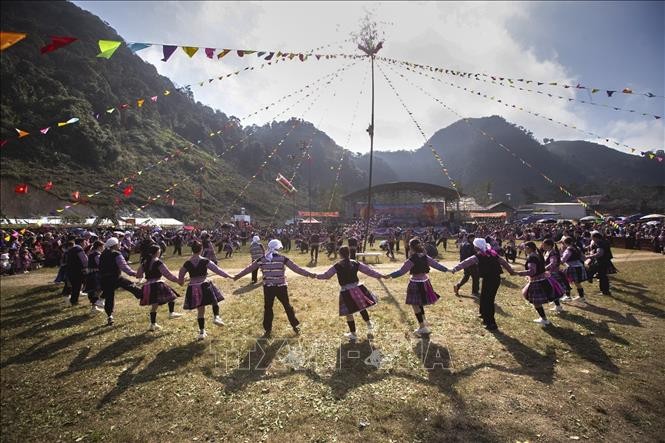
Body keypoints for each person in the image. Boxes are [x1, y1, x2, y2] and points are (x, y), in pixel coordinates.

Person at [233, 239, 315, 338]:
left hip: (268, 288)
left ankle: (268, 329)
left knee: (268, 308)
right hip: (281, 287)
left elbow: (249, 268)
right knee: (287, 306)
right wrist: (309, 274)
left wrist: (238, 276)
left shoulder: (262, 259)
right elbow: (296, 269)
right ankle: (295, 326)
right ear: (278, 247)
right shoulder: (283, 258)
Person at [315, 246, 383, 341]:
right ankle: (369, 324)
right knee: (362, 307)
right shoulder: (355, 263)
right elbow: (368, 271)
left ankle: (353, 333)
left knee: (349, 313)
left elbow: (326, 276)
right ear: (349, 253)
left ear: (340, 254)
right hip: (357, 288)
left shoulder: (337, 265)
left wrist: (315, 276)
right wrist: (380, 275)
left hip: (346, 291)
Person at [385, 238, 449, 337]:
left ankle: (422, 327)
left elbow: (401, 271)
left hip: (415, 283)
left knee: (415, 304)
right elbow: (437, 265)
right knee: (420, 303)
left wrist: (390, 275)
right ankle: (424, 322)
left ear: (410, 247)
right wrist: (448, 270)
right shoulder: (425, 257)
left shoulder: (411, 259)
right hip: (425, 282)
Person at [450, 238, 516, 331]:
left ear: (477, 247)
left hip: (490, 279)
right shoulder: (493, 253)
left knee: (489, 300)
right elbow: (503, 262)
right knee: (485, 297)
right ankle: (483, 315)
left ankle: (491, 323)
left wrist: (455, 269)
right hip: (494, 279)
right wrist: (511, 271)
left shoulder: (479, 256)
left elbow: (467, 262)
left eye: (475, 246)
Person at [178, 241, 229, 340]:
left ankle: (201, 332)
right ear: (201, 249)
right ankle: (216, 317)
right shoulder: (205, 260)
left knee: (200, 310)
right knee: (214, 301)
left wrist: (182, 281)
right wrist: (229, 276)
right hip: (204, 285)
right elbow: (217, 270)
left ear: (192, 250)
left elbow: (181, 276)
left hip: (193, 287)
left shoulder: (187, 263)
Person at [515, 242, 564, 326]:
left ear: (529, 248)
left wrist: (518, 273)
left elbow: (532, 271)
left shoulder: (532, 257)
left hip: (537, 281)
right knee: (547, 296)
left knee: (536, 302)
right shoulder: (537, 254)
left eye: (525, 248)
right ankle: (550, 313)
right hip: (543, 278)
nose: (524, 250)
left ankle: (544, 319)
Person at [136, 244, 183, 331]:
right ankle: (171, 313)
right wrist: (178, 280)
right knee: (172, 296)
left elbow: (138, 275)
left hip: (148, 286)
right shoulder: (158, 262)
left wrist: (143, 277)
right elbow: (168, 275)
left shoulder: (145, 262)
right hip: (157, 284)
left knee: (154, 305)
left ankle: (152, 324)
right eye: (159, 250)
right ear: (157, 252)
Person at [99, 237, 143, 326]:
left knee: (109, 298)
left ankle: (109, 316)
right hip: (115, 277)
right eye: (118, 244)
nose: (120, 245)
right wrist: (134, 274)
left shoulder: (102, 254)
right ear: (115, 245)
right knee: (130, 285)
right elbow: (124, 266)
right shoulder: (116, 254)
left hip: (104, 279)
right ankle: (144, 296)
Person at [542, 239, 571, 309]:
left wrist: (544, 268)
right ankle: (557, 305)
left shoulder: (553, 253)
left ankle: (558, 306)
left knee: (553, 291)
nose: (543, 246)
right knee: (553, 291)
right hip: (549, 273)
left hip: (552, 274)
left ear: (549, 245)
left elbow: (553, 263)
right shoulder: (548, 251)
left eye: (544, 245)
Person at [560, 236, 588, 304]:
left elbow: (563, 260)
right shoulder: (577, 248)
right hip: (579, 266)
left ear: (565, 243)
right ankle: (582, 297)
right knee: (577, 283)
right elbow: (584, 258)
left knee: (565, 281)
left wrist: (558, 258)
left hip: (572, 267)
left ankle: (568, 296)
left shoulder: (568, 250)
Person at [586, 231, 615, 296]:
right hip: (605, 261)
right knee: (602, 276)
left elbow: (600, 254)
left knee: (602, 276)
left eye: (592, 238)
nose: (592, 240)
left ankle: (605, 291)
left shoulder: (600, 243)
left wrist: (589, 256)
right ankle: (604, 291)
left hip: (602, 261)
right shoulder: (604, 241)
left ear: (596, 238)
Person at [66, 237, 89, 306]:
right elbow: (84, 260)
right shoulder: (79, 249)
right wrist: (86, 267)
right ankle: (74, 301)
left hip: (71, 269)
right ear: (81, 243)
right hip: (78, 270)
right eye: (84, 242)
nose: (85, 244)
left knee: (75, 286)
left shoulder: (71, 250)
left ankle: (72, 299)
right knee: (77, 286)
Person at [85, 240, 105, 313]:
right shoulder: (97, 254)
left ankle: (94, 307)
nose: (103, 248)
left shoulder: (91, 253)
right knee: (98, 290)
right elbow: (100, 264)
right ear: (99, 247)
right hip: (96, 274)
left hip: (91, 274)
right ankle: (96, 304)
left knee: (93, 291)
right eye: (103, 246)